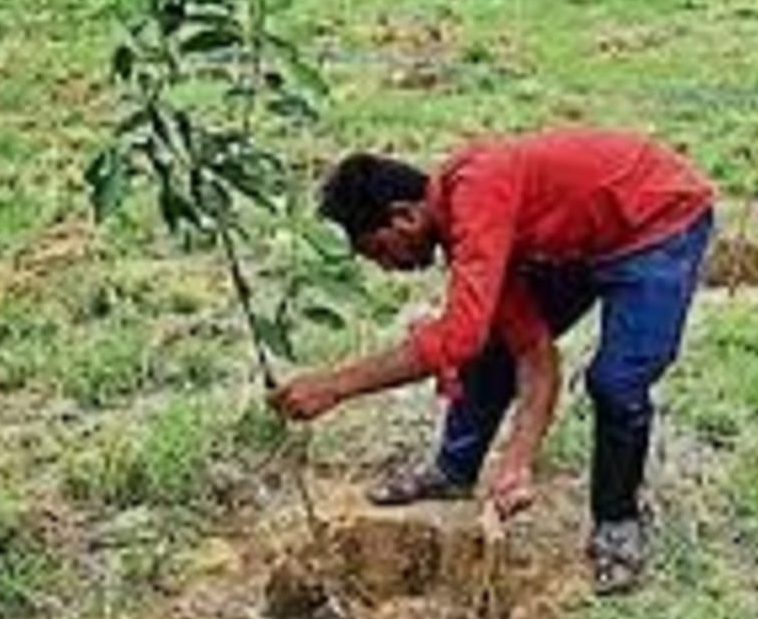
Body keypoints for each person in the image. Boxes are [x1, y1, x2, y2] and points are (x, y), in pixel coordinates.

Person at [268, 127, 715, 594]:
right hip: (584, 234)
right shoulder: (478, 228)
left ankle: (618, 522)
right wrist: (517, 463)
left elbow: (457, 337)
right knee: (490, 342)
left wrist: (335, 386)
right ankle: (453, 470)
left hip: (658, 221)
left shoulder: (479, 193)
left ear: (404, 216)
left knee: (616, 383)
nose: (387, 267)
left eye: (380, 251)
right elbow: (533, 351)